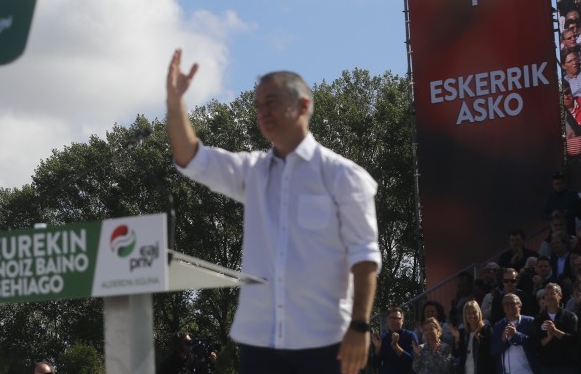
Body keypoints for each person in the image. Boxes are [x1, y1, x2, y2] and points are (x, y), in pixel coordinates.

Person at [165, 50, 380, 374]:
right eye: (258, 105)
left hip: (326, 341)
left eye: (272, 102)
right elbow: (192, 159)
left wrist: (360, 325)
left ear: (304, 105)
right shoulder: (253, 172)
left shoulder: (344, 176)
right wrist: (175, 102)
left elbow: (364, 256)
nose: (262, 112)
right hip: (260, 342)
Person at [533, 283, 578, 374]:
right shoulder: (539, 319)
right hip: (547, 367)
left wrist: (555, 331)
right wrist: (548, 337)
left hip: (567, 366)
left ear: (560, 296)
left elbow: (574, 341)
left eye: (552, 294)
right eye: (546, 294)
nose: (549, 297)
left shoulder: (570, 317)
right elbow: (535, 344)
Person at [490, 293, 536, 374]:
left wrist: (516, 334)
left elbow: (535, 344)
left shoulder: (530, 321)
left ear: (519, 306)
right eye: (506, 304)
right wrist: (503, 340)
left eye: (512, 303)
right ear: (503, 307)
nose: (509, 306)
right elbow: (493, 351)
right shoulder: (498, 325)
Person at [451, 299, 494, 374]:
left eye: (474, 312)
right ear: (465, 315)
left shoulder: (487, 330)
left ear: (479, 313)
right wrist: (457, 339)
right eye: (469, 313)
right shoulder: (462, 332)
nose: (472, 316)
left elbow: (490, 353)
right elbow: (456, 354)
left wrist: (480, 339)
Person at [372, 308, 418, 374]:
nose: (395, 321)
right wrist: (378, 348)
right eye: (392, 318)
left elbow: (412, 361)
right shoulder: (383, 339)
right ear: (387, 321)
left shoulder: (410, 335)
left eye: (398, 318)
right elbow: (374, 364)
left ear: (402, 321)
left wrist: (395, 346)